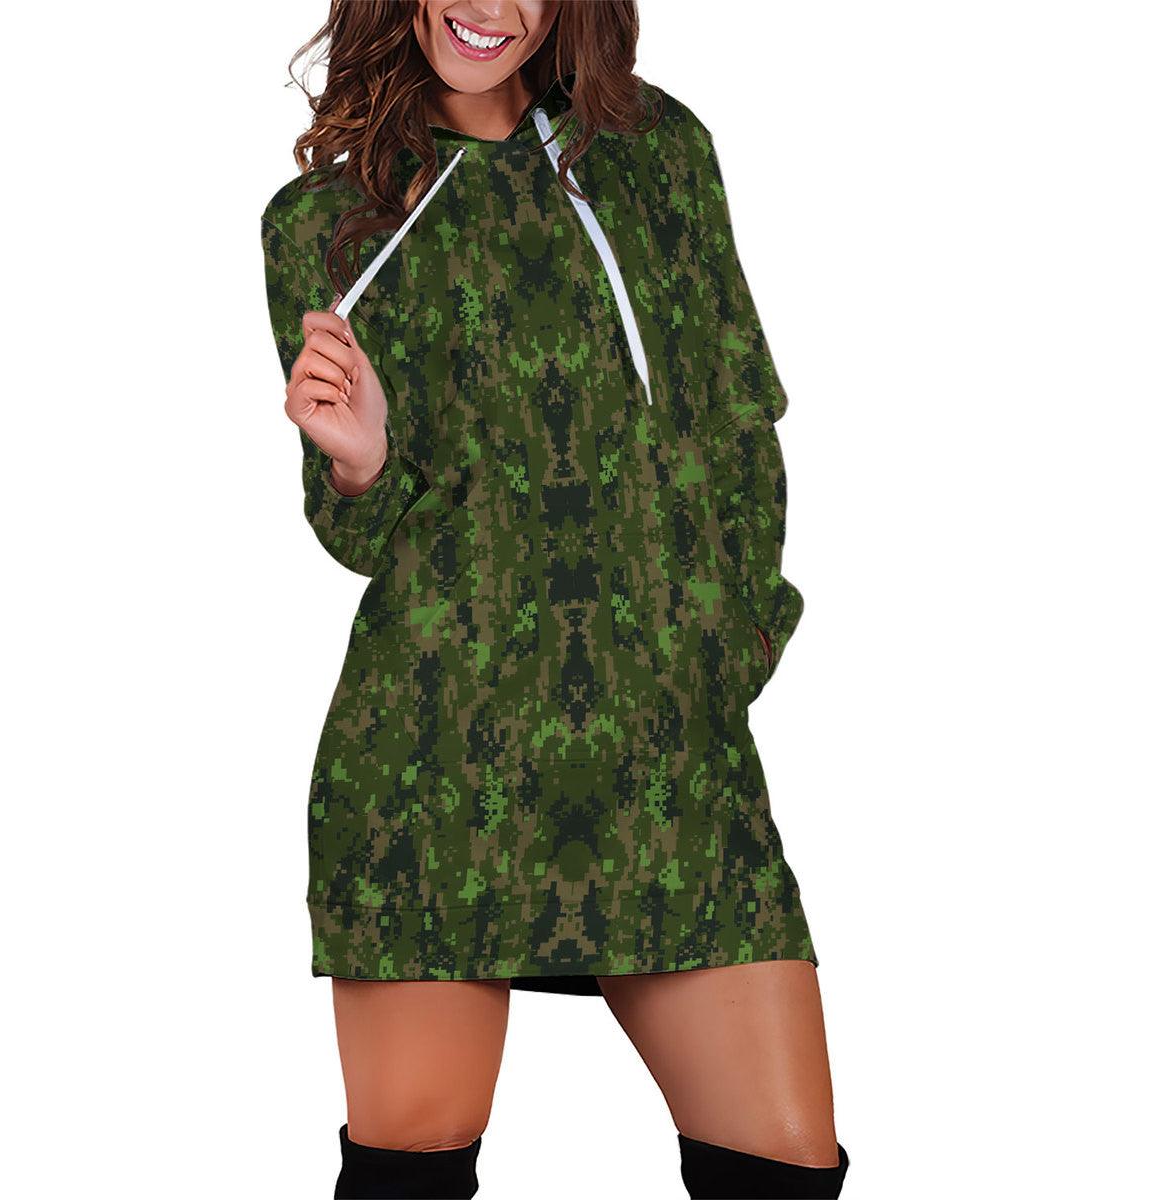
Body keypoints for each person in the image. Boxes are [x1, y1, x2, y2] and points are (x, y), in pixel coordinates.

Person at [260, 3, 849, 1196]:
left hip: (664, 750)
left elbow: (740, 416)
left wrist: (725, 653)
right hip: (438, 762)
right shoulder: (325, 218)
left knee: (784, 1160)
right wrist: (360, 464)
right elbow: (364, 531)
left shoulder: (655, 153)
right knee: (414, 1164)